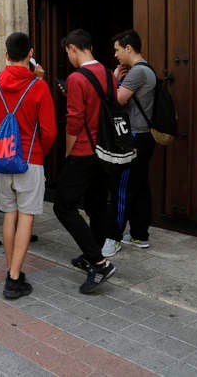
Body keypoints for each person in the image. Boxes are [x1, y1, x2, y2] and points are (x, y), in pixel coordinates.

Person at [0, 32, 57, 299]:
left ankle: (12, 269)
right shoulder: (39, 86)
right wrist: (40, 150)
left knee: (9, 214)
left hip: (3, 159)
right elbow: (50, 131)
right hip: (30, 159)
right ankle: (14, 277)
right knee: (27, 216)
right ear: (30, 54)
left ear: (6, 55)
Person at [53, 29, 118, 294]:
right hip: (105, 150)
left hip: (83, 150)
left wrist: (68, 153)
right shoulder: (107, 73)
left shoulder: (77, 78)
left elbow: (75, 120)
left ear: (72, 48)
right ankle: (90, 255)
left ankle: (99, 262)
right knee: (96, 205)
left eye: (67, 52)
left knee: (63, 206)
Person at [110, 29, 157, 251]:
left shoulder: (138, 72)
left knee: (124, 186)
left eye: (118, 50)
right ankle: (139, 234)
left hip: (136, 137)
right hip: (145, 135)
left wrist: (113, 79)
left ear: (129, 48)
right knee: (140, 187)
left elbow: (117, 100)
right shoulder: (147, 69)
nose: (116, 55)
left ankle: (114, 238)